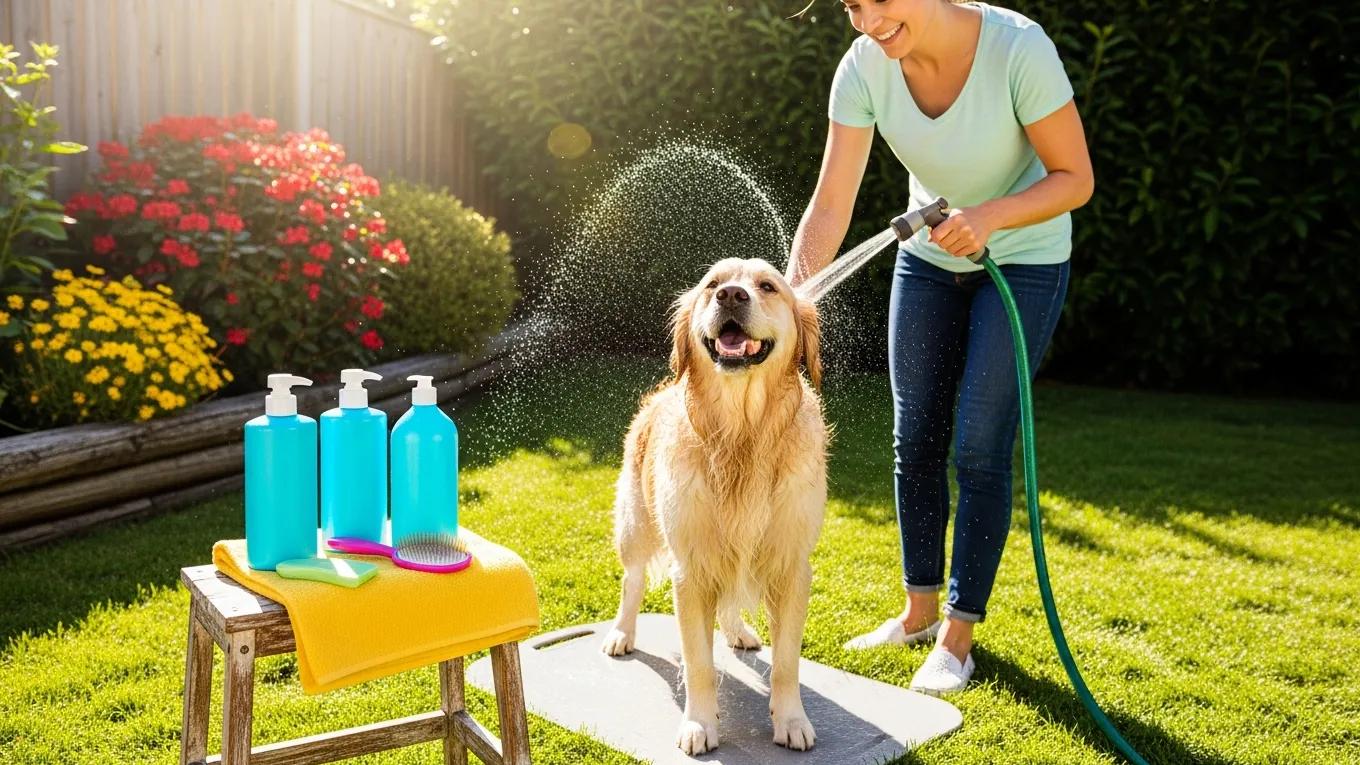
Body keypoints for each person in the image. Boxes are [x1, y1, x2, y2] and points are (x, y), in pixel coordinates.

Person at [784, 0, 1094, 695]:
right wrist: (789, 300)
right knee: (914, 436)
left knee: (980, 445)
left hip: (1024, 264)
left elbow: (1075, 177)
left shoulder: (1019, 50)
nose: (867, 22)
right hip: (927, 262)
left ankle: (958, 637)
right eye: (852, 6)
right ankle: (919, 611)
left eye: (879, 1)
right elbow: (831, 203)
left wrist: (989, 217)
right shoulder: (864, 68)